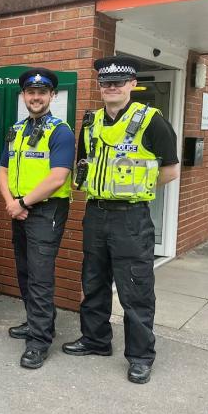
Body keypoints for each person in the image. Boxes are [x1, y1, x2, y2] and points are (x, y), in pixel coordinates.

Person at [62, 56, 180, 384]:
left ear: (131, 85)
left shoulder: (152, 121)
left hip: (131, 217)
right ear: (99, 86)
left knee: (135, 288)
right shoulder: (91, 122)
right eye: (105, 82)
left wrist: (132, 189)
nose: (111, 87)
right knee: (94, 280)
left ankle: (141, 356)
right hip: (96, 214)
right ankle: (96, 339)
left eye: (118, 82)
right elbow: (85, 165)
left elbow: (170, 171)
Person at [0, 68, 76, 369]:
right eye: (31, 92)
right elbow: (2, 170)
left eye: (42, 93)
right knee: (26, 272)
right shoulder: (16, 129)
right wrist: (10, 203)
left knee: (40, 278)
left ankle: (39, 341)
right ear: (24, 96)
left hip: (45, 212)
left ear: (52, 96)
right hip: (20, 209)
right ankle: (36, 323)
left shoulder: (61, 131)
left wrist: (22, 203)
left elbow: (58, 177)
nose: (36, 97)